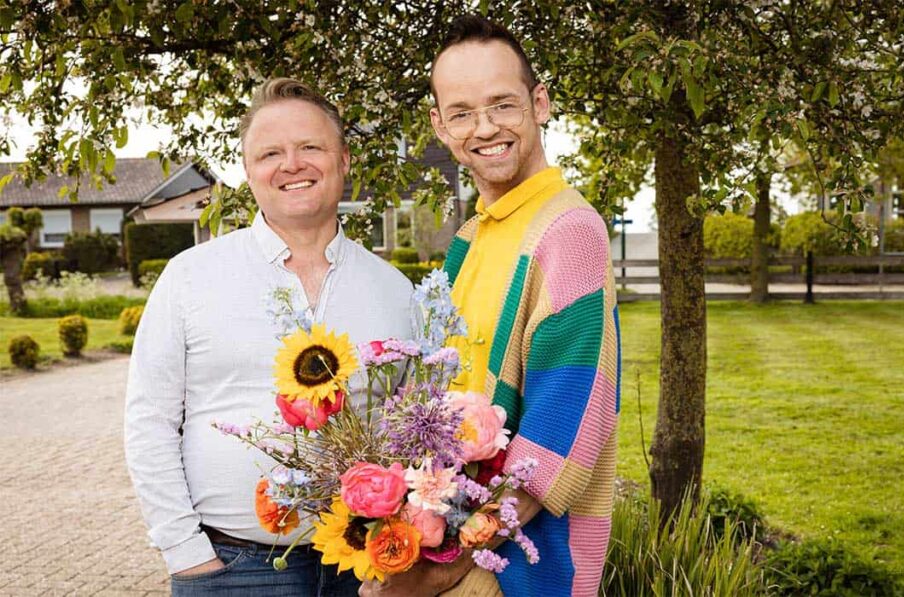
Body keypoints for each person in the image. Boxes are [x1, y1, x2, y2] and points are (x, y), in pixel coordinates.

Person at [360, 14, 620, 597]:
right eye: (461, 112)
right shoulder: (472, 236)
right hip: (454, 547)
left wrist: (447, 565)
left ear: (541, 104)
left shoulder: (568, 230)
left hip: (520, 571)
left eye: (503, 104)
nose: (484, 128)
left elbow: (562, 428)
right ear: (440, 126)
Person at [124, 78, 415, 597]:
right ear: (248, 169)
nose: (292, 164)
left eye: (310, 147)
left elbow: (408, 431)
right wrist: (185, 553)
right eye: (271, 152)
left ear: (344, 159)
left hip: (364, 571)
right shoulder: (190, 276)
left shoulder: (395, 291)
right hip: (233, 569)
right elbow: (150, 420)